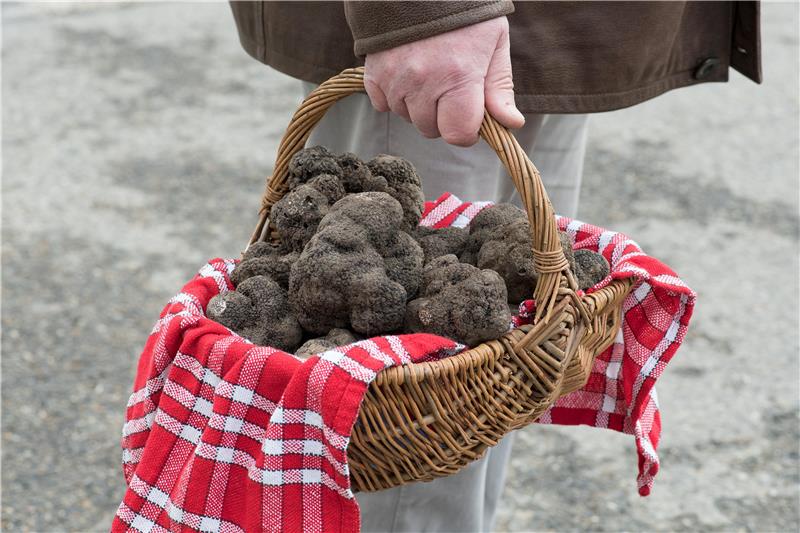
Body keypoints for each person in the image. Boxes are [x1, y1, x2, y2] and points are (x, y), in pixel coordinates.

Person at [229, 2, 761, 531]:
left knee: (488, 387)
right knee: (395, 434)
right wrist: (418, 13)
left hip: (543, 29)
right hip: (440, 30)